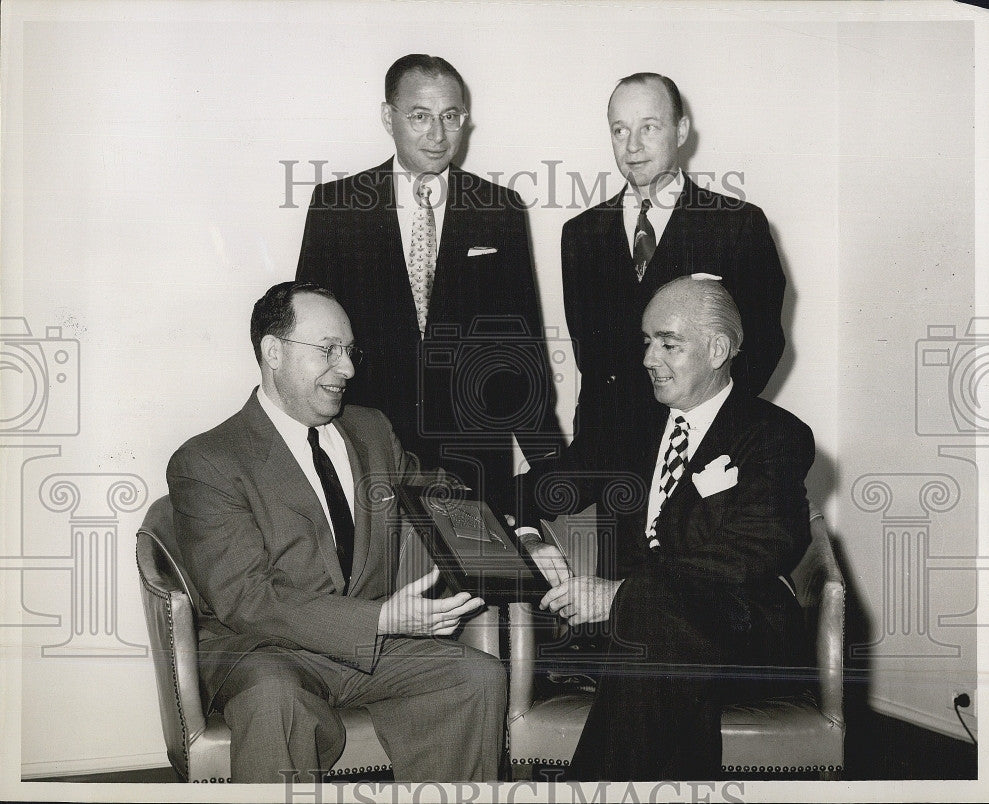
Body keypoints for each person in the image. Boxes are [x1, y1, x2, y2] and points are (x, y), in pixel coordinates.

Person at [166, 282, 506, 783]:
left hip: (373, 647)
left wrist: (513, 544)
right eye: (328, 351)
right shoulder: (208, 461)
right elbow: (247, 600)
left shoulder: (370, 431)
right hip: (267, 649)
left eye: (349, 351)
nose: (347, 369)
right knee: (274, 697)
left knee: (476, 676)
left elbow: (441, 496)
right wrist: (381, 618)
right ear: (273, 352)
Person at [521, 277, 812, 780]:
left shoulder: (775, 435)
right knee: (656, 635)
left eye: (668, 344)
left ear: (718, 349)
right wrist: (527, 537)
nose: (649, 359)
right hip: (644, 638)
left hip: (742, 635)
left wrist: (622, 596)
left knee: (654, 620)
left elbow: (757, 549)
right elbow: (536, 489)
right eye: (647, 342)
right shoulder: (630, 430)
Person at [296, 54, 564, 511]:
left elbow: (523, 347)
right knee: (381, 580)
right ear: (388, 116)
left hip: (475, 452)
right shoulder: (337, 207)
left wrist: (553, 469)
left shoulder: (499, 209)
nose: (437, 135)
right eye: (419, 116)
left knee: (476, 580)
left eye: (450, 116)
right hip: (368, 445)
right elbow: (308, 335)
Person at [560, 72, 787, 464]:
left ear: (681, 130)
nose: (632, 146)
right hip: (610, 456)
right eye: (620, 130)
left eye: (649, 127)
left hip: (704, 450)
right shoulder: (580, 234)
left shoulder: (736, 224)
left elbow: (762, 346)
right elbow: (591, 359)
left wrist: (711, 431)